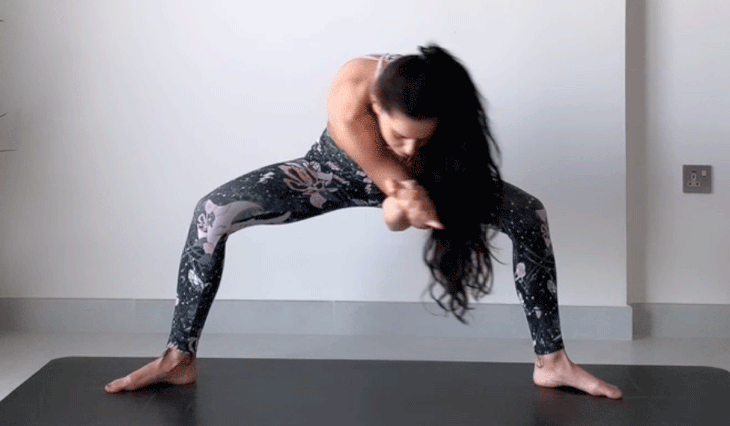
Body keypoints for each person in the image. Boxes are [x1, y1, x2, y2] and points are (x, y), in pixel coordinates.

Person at [104, 44, 623, 399]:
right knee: (212, 212)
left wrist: (412, 198)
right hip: (330, 172)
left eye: (424, 138)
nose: (410, 147)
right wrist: (401, 189)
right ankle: (179, 358)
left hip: (422, 188)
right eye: (400, 136)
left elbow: (397, 218)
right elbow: (389, 184)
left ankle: (551, 361)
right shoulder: (355, 84)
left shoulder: (447, 112)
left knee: (529, 214)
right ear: (377, 105)